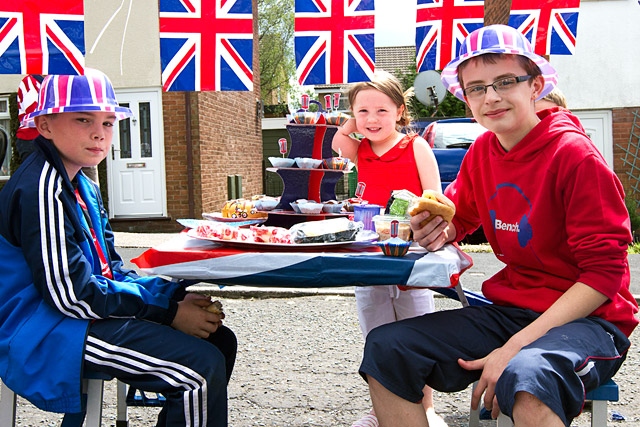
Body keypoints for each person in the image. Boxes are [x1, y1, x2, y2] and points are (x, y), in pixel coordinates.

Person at [358, 24, 638, 427]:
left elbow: (604, 276)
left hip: (590, 322)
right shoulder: (483, 151)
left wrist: (516, 346)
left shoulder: (576, 158)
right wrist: (436, 227)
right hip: (511, 310)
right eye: (476, 88)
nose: (490, 97)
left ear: (535, 85)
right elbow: (461, 217)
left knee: (526, 379)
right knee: (387, 347)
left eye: (505, 82)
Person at [0, 68, 236, 426]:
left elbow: (110, 269)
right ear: (44, 125)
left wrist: (170, 296)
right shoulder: (42, 189)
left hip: (78, 315)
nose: (99, 133)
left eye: (109, 122)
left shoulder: (84, 184)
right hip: (46, 328)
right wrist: (167, 313)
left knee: (219, 340)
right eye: (83, 119)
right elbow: (70, 296)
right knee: (197, 370)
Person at [332, 70, 447, 427]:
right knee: (376, 336)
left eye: (381, 111)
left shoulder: (415, 146)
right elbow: (337, 141)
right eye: (362, 112)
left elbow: (435, 198)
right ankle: (380, 411)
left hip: (411, 257)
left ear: (400, 111)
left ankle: (426, 407)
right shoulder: (360, 147)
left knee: (417, 334)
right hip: (370, 256)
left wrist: (421, 227)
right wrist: (351, 120)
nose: (371, 119)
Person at [15, 74, 44, 162]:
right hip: (32, 139)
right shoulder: (30, 81)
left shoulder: (53, 82)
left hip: (49, 138)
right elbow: (33, 115)